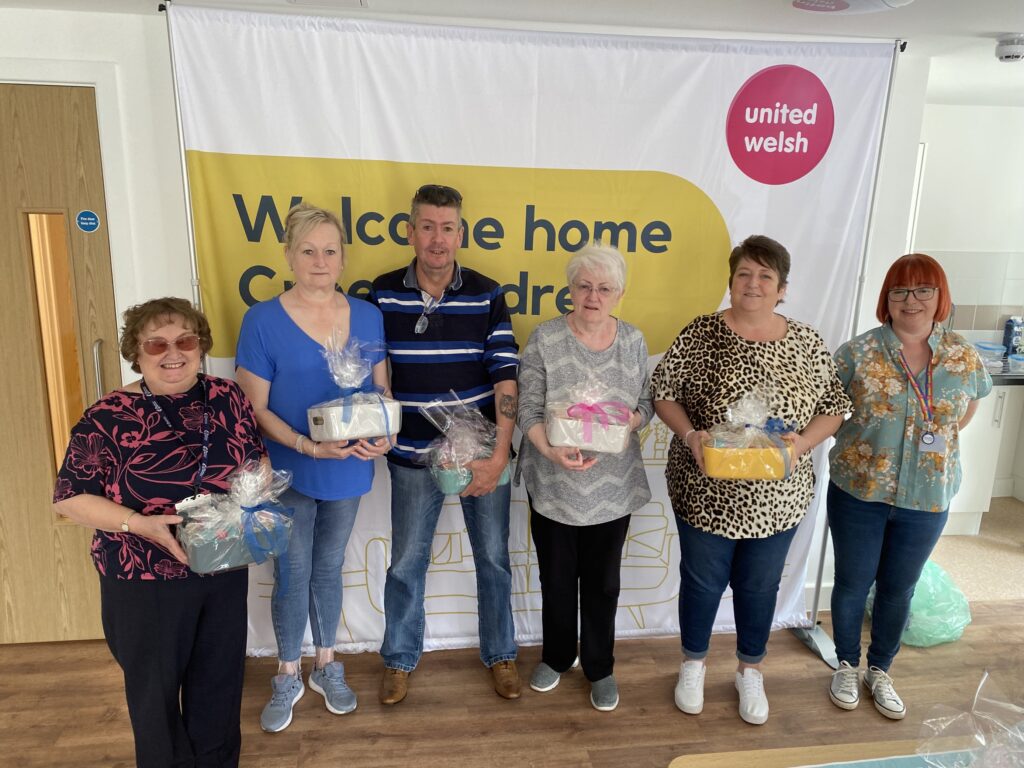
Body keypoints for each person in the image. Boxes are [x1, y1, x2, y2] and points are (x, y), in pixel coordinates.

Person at [53, 297, 265, 767]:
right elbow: (70, 496)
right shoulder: (108, 415)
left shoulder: (228, 397)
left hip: (221, 565)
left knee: (219, 685)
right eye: (157, 343)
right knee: (156, 696)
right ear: (137, 351)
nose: (174, 352)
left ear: (201, 346)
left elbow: (254, 461)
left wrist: (255, 498)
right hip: (143, 576)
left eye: (185, 340)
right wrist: (141, 525)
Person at [651, 235, 851, 726]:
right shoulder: (702, 333)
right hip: (706, 490)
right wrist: (692, 434)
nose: (753, 284)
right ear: (731, 281)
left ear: (782, 288)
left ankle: (750, 669)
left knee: (759, 586)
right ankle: (693, 663)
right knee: (701, 582)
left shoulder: (806, 341)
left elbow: (836, 407)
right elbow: (663, 393)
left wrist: (801, 443)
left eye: (765, 276)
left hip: (779, 496)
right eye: (744, 274)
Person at [235, 203, 391, 733]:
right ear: (289, 256)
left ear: (343, 256)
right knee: (292, 570)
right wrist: (305, 445)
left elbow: (381, 391)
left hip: (349, 466)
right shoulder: (261, 320)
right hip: (290, 468)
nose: (319, 261)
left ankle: (327, 664)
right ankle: (286, 672)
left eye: (329, 250)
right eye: (308, 251)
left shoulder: (367, 316)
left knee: (328, 566)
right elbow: (253, 408)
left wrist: (386, 433)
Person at [369, 183, 521, 704]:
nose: (438, 238)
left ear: (461, 233)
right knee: (407, 562)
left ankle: (501, 655)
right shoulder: (381, 294)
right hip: (411, 455)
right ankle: (398, 658)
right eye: (427, 226)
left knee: (494, 559)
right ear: (410, 232)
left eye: (448, 227)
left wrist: (498, 455)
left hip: (480, 455)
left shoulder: (487, 292)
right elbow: (374, 376)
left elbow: (506, 379)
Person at [826, 253, 992, 720]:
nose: (911, 300)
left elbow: (967, 410)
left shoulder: (962, 355)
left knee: (899, 589)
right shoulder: (856, 353)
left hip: (927, 496)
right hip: (860, 490)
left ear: (940, 297)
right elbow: (830, 412)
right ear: (887, 299)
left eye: (923, 290)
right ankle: (844, 663)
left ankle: (880, 669)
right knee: (853, 583)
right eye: (900, 291)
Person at [516, 242, 653, 712]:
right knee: (556, 579)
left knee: (603, 582)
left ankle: (600, 666)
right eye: (584, 286)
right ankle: (557, 657)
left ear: (619, 293)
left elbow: (647, 405)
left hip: (612, 488)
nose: (593, 296)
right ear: (571, 289)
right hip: (553, 484)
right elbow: (528, 409)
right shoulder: (546, 338)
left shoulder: (633, 341)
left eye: (605, 288)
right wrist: (549, 449)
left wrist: (628, 423)